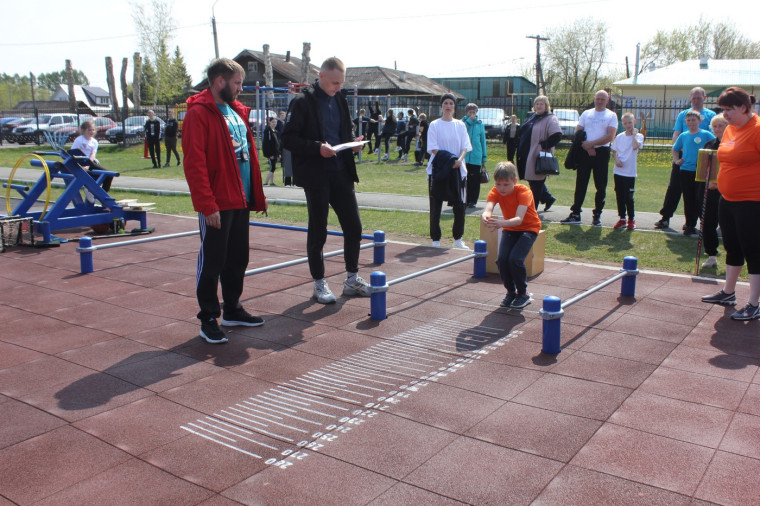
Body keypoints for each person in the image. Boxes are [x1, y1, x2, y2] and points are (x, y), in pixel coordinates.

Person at [182, 57, 268, 344]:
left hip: (239, 199)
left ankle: (232, 308)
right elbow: (195, 164)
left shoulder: (235, 111)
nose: (240, 89)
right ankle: (208, 317)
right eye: (237, 83)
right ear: (220, 81)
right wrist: (208, 205)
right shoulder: (198, 114)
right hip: (217, 203)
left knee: (238, 259)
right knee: (213, 261)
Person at [281, 57, 371, 304]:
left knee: (354, 227)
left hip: (341, 172)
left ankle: (352, 278)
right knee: (318, 230)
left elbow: (344, 132)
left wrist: (354, 143)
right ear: (320, 76)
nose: (337, 87)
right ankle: (319, 283)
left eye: (341, 83)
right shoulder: (301, 103)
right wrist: (316, 148)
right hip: (316, 175)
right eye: (334, 83)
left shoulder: (340, 99)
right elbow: (287, 139)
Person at [701, 87, 760, 321]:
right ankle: (728, 292)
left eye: (728, 110)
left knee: (753, 250)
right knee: (732, 247)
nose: (724, 115)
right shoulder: (730, 131)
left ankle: (754, 303)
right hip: (728, 199)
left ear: (743, 108)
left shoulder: (757, 129)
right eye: (722, 110)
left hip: (752, 201)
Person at [482, 161, 541, 310]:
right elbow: (489, 207)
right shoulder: (495, 191)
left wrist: (501, 224)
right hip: (510, 228)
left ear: (514, 181)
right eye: (498, 184)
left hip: (528, 228)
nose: (502, 188)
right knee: (502, 260)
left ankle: (523, 293)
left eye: (506, 184)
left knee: (515, 259)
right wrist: (485, 215)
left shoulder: (524, 192)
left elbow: (519, 219)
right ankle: (511, 292)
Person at [655, 87, 717, 229]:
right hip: (683, 158)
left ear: (704, 98)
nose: (696, 100)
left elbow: (714, 137)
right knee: (674, 188)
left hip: (702, 159)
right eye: (693, 98)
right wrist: (682, 149)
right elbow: (677, 134)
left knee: (699, 191)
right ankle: (665, 217)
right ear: (690, 98)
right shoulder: (683, 114)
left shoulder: (710, 114)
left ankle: (696, 223)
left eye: (699, 98)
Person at [561, 90, 618, 226]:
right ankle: (575, 213)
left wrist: (593, 144)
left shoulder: (611, 115)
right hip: (585, 151)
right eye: (597, 98)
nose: (599, 101)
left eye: (602, 99)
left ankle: (597, 214)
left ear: (607, 101)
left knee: (600, 185)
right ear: (594, 99)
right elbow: (578, 131)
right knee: (581, 183)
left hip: (602, 152)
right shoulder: (587, 113)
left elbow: (610, 136)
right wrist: (588, 146)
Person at [427, 93, 472, 249]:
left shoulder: (460, 125)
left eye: (451, 103)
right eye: (445, 103)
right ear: (441, 106)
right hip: (439, 170)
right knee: (436, 207)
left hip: (458, 170)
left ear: (454, 107)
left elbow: (465, 146)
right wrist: (451, 160)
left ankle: (458, 239)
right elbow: (433, 148)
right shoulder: (434, 125)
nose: (448, 106)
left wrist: (459, 160)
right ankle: (435, 240)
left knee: (460, 206)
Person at [673, 110, 715, 236]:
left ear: (700, 121)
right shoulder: (683, 135)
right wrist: (677, 161)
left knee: (701, 198)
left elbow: (716, 145)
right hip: (686, 170)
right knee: (688, 198)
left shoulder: (706, 134)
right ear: (685, 122)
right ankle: (690, 224)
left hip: (701, 171)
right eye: (689, 120)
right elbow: (675, 149)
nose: (691, 123)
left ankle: (704, 224)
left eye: (694, 120)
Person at [516, 96, 560, 212]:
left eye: (541, 104)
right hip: (526, 153)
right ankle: (547, 198)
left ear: (546, 106)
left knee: (536, 182)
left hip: (537, 155)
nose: (539, 106)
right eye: (537, 104)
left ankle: (532, 210)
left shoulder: (550, 118)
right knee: (532, 180)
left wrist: (545, 144)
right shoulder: (532, 117)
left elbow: (557, 135)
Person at [699, 114, 729, 269]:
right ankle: (711, 255)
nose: (717, 129)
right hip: (710, 191)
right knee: (708, 223)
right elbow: (704, 167)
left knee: (728, 224)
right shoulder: (709, 144)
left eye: (721, 126)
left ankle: (733, 256)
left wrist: (719, 183)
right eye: (715, 126)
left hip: (728, 191)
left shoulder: (733, 145)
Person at [611, 112, 644, 230]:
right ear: (623, 124)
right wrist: (616, 160)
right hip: (618, 171)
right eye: (625, 123)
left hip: (629, 173)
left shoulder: (639, 136)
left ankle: (631, 219)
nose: (628, 125)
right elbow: (614, 151)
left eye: (630, 122)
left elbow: (635, 146)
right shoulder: (619, 136)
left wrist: (634, 135)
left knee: (629, 197)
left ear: (634, 122)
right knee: (619, 195)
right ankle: (622, 218)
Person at [71, 120, 113, 203]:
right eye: (89, 130)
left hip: (90, 162)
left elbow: (93, 154)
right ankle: (89, 189)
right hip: (80, 162)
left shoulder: (94, 142)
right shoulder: (79, 140)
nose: (91, 132)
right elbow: (73, 152)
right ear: (83, 131)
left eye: (93, 130)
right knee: (89, 176)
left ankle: (102, 195)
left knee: (108, 174)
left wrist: (88, 164)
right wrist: (82, 165)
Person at [462, 103, 488, 208]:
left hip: (476, 156)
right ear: (466, 112)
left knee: (475, 180)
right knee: (465, 179)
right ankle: (465, 199)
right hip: (464, 156)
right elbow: (462, 132)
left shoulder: (480, 124)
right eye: (470, 112)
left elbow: (483, 141)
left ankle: (473, 200)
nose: (472, 114)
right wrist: (469, 121)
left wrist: (484, 156)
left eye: (474, 112)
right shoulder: (462, 122)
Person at [263, 117, 282, 186]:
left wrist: (279, 153)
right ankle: (265, 182)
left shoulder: (276, 131)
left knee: (273, 167)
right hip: (271, 153)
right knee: (272, 167)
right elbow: (266, 144)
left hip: (275, 152)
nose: (274, 123)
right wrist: (269, 154)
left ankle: (272, 182)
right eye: (273, 122)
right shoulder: (268, 131)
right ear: (269, 123)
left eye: (275, 122)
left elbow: (278, 143)